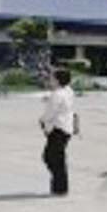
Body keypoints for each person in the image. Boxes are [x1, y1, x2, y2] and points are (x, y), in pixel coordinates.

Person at [39, 68, 76, 196]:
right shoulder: (68, 91)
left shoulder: (58, 94)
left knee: (51, 157)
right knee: (56, 157)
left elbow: (50, 113)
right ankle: (59, 186)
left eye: (52, 78)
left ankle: (60, 187)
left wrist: (42, 120)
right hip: (66, 128)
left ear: (58, 80)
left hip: (58, 128)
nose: (50, 80)